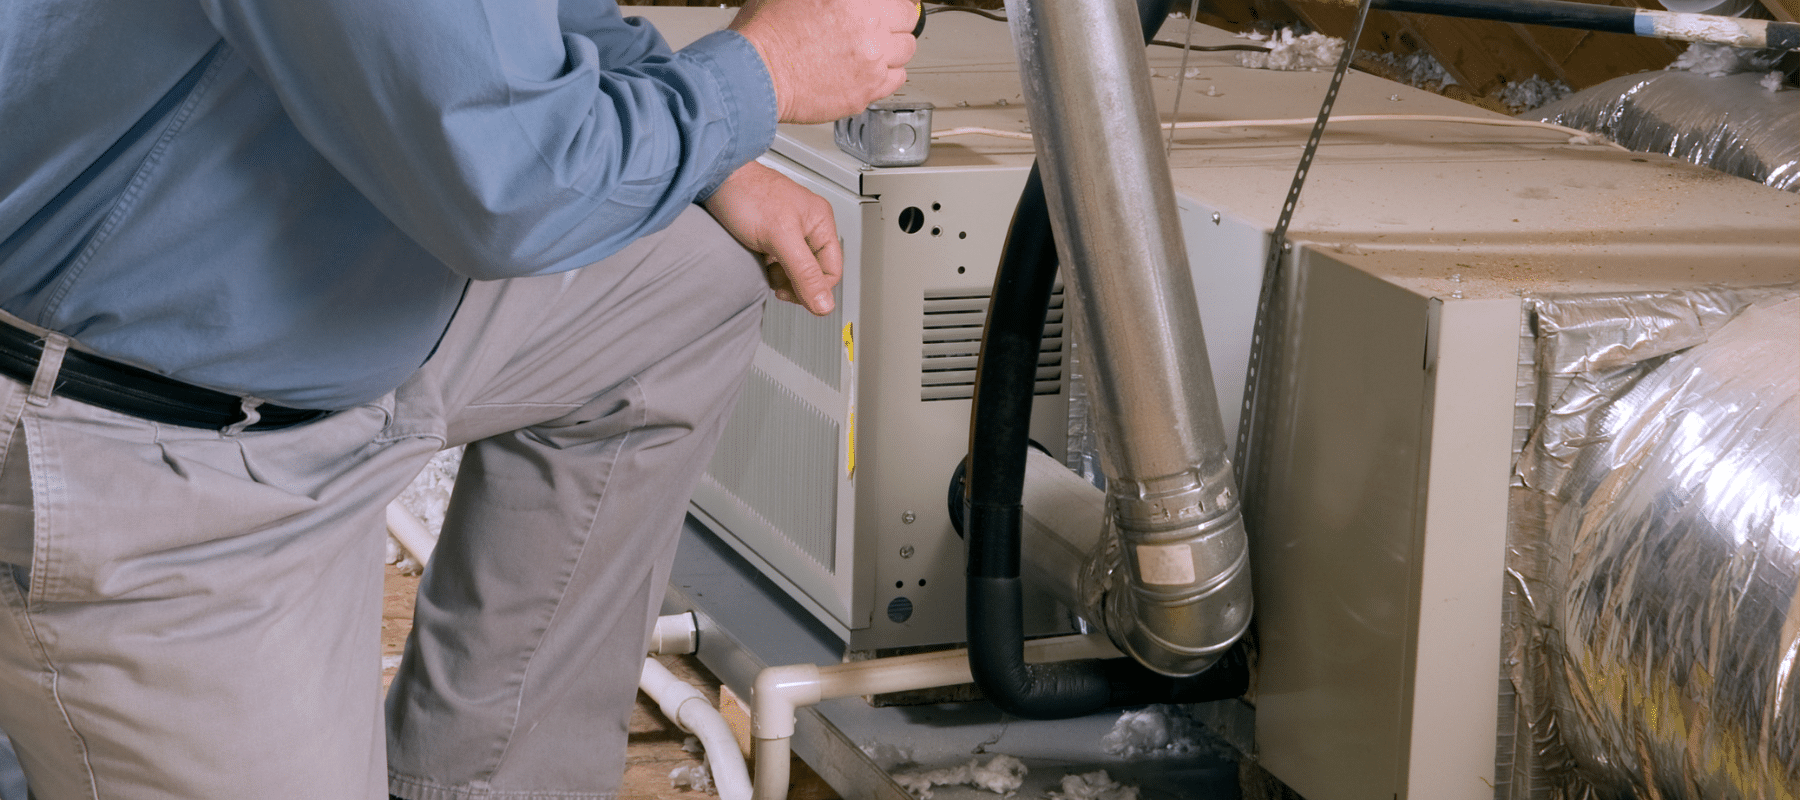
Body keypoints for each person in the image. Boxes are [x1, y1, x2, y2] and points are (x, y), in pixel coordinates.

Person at [0, 0, 917, 797]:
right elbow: (513, 190)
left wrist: (703, 149)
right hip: (149, 449)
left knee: (682, 284)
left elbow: (526, 24)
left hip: (292, 332)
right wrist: (764, 73)